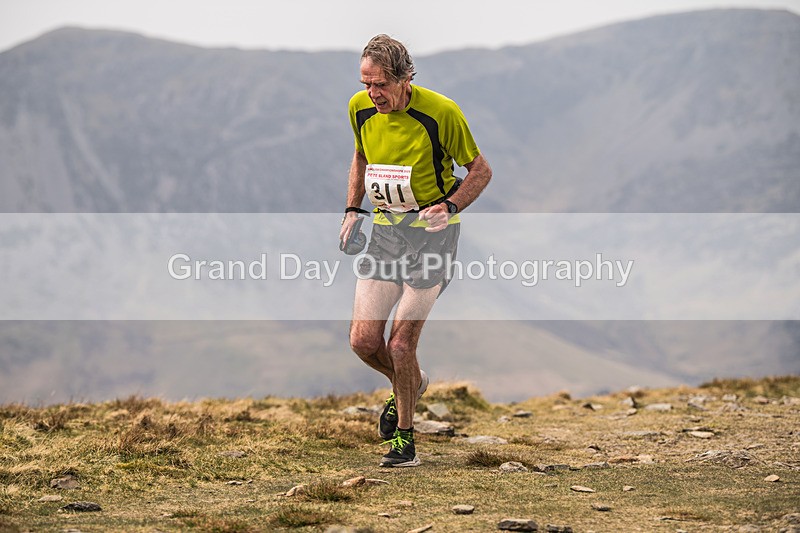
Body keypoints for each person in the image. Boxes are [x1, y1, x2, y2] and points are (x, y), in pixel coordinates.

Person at [339, 34, 491, 467]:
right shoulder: (359, 107)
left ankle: (404, 442)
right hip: (387, 232)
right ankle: (413, 383)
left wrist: (450, 205)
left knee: (401, 345)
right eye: (366, 83)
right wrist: (353, 210)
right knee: (364, 341)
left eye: (381, 85)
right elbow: (360, 157)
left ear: (406, 79)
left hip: (433, 238)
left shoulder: (441, 112)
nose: (373, 94)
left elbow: (480, 170)